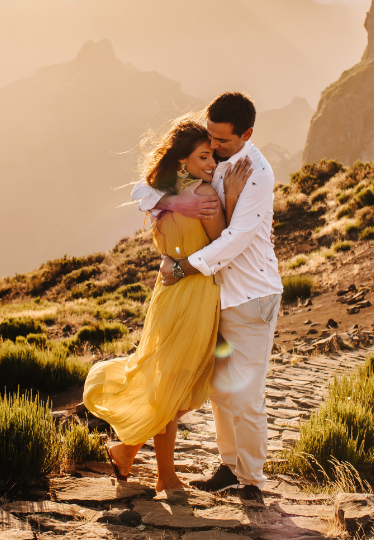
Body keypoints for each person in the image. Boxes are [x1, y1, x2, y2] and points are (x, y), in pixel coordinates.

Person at [83, 116, 253, 492]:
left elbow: (143, 196)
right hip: (194, 292)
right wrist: (235, 196)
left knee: (170, 383)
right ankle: (164, 476)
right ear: (183, 161)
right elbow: (223, 243)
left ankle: (129, 452)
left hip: (168, 293)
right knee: (175, 386)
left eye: (212, 156)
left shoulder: (162, 195)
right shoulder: (205, 194)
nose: (212, 164)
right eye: (204, 156)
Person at [131, 92, 282, 503]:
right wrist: (178, 200)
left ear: (247, 134)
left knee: (246, 395)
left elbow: (234, 239)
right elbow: (144, 192)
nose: (213, 149)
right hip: (216, 296)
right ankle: (229, 466)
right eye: (210, 139)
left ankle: (251, 480)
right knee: (220, 390)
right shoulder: (213, 162)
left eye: (222, 142)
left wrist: (180, 267)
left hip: (251, 295)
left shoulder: (257, 173)